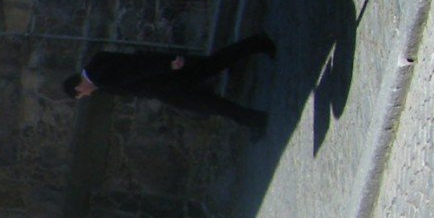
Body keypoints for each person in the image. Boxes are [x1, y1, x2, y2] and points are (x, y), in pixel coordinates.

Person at [61, 33, 276, 133]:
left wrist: (166, 66)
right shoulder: (97, 64)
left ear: (78, 88)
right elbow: (135, 62)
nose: (86, 95)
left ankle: (255, 120)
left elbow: (136, 70)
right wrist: (165, 64)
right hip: (167, 78)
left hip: (167, 83)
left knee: (210, 102)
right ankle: (257, 43)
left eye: (81, 95)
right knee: (214, 67)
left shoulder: (102, 79)